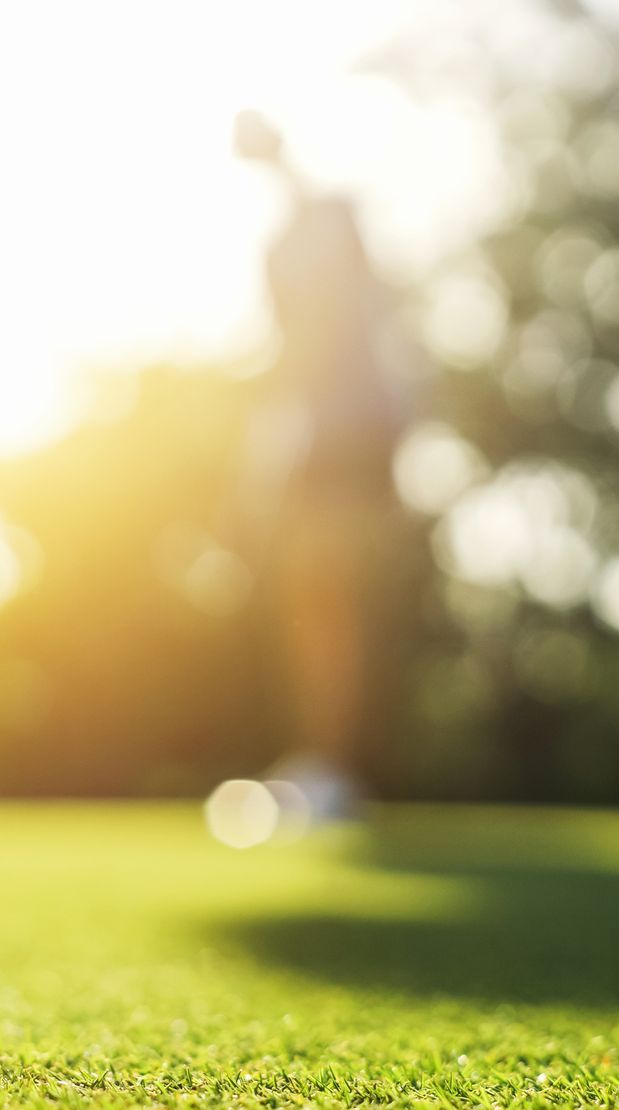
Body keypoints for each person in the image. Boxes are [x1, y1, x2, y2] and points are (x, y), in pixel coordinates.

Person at [233, 109, 419, 823]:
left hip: (356, 429)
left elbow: (346, 307)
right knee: (309, 601)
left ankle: (335, 774)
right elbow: (286, 353)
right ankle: (320, 766)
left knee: (332, 592)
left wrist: (281, 157)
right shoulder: (278, 248)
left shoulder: (331, 217)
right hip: (313, 437)